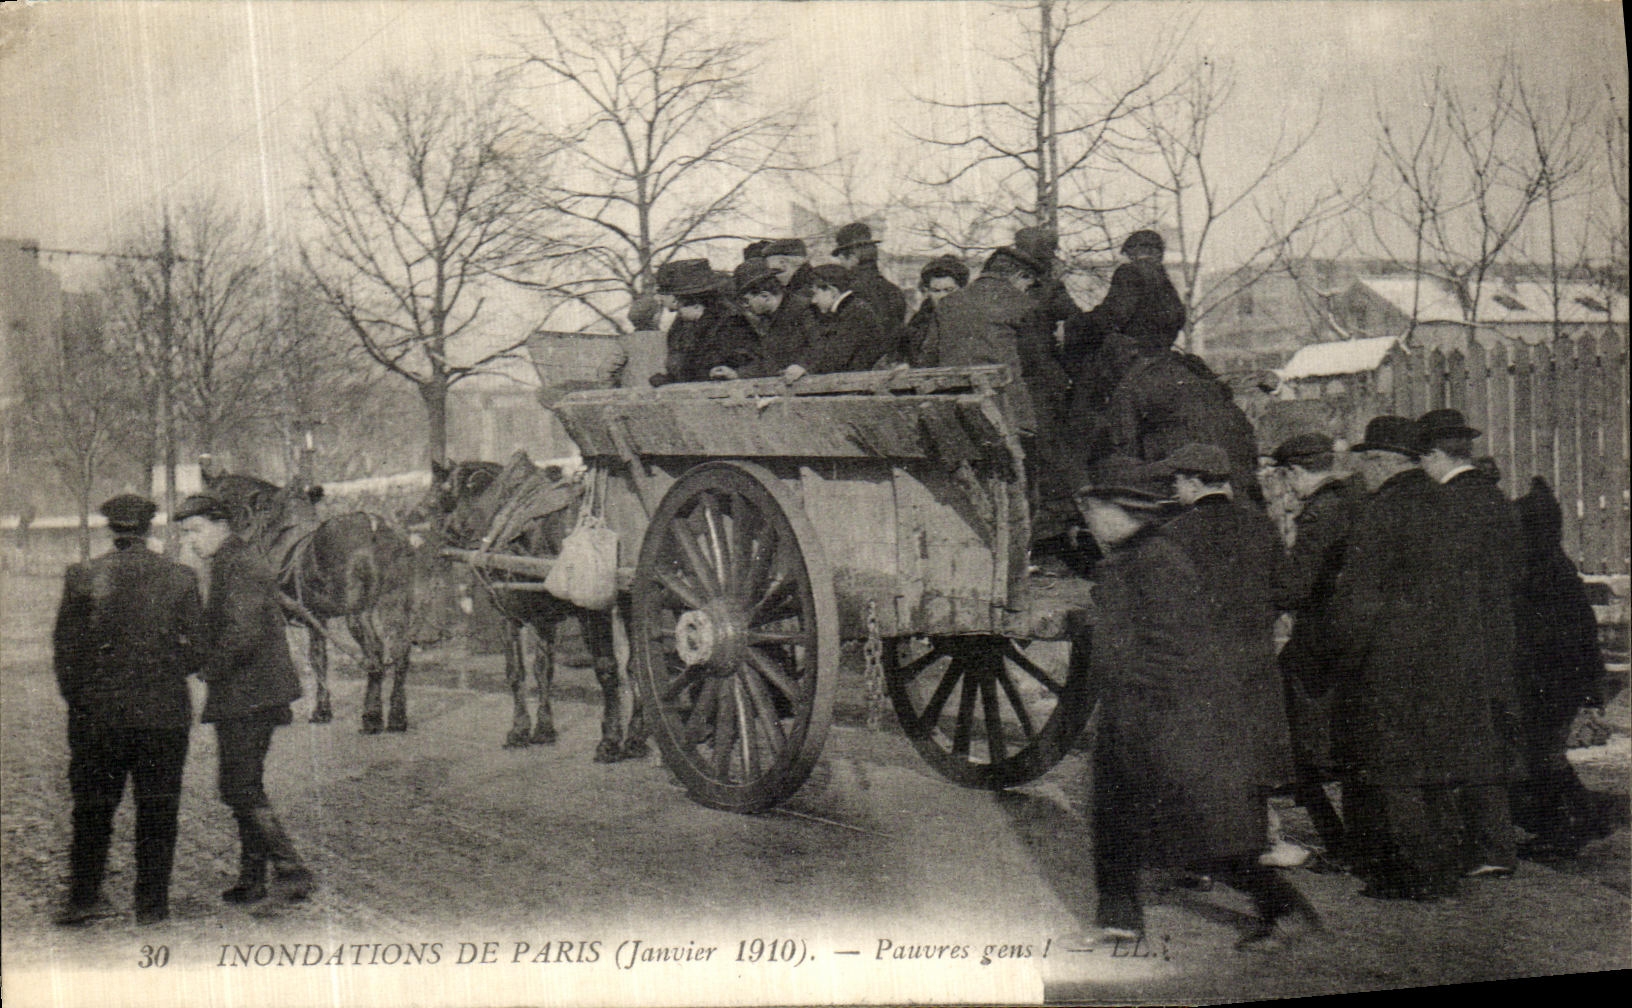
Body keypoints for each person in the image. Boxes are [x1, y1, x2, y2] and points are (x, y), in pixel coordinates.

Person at [1070, 454, 1318, 952]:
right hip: (1151, 710)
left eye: (1095, 510)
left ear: (1127, 510)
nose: (1089, 520)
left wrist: (1136, 685)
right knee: (1122, 818)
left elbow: (1173, 645)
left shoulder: (1153, 563)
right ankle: (1119, 919)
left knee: (1201, 830)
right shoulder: (1141, 558)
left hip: (1161, 714)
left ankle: (1285, 910)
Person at [1329, 416, 1506, 901]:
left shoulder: (1381, 510)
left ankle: (1416, 873)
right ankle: (1446, 862)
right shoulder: (1449, 503)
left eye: (1365, 462)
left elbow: (1358, 599)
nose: (1361, 472)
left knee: (1395, 767)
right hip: (1451, 655)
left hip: (1392, 658)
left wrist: (1343, 656)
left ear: (1383, 462)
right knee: (1436, 764)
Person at [53, 494, 202, 926]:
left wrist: (82, 703)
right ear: (150, 528)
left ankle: (83, 899)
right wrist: (166, 670)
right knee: (158, 809)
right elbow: (199, 650)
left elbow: (65, 655)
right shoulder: (180, 578)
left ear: (111, 528)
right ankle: (152, 907)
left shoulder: (82, 577)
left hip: (98, 717)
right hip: (163, 715)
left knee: (93, 809)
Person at [175, 493, 313, 906]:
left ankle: (290, 869)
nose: (191, 541)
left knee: (239, 786)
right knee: (241, 785)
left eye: (196, 530)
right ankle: (253, 878)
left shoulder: (241, 564)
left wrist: (209, 667)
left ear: (222, 524)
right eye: (185, 533)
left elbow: (243, 632)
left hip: (252, 694)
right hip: (248, 692)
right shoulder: (230, 561)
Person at [1416, 408, 1522, 877]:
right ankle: (1492, 847)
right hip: (1496, 636)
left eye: (1422, 459)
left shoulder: (1450, 504)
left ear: (1436, 455)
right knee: (1483, 739)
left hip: (1459, 641)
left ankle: (1485, 849)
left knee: (1460, 742)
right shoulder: (1493, 497)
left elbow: (1442, 583)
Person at [1269, 431, 1363, 867]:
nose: (1288, 490)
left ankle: (1340, 843)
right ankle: (1348, 840)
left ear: (1295, 472)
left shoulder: (1320, 513)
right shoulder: (1354, 499)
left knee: (1297, 737)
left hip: (1321, 639)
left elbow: (1296, 585)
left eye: (1287, 479)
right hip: (1350, 636)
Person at [1510, 475, 1613, 855]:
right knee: (1543, 754)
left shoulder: (1543, 572)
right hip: (1563, 679)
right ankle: (1581, 820)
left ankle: (1572, 826)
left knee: (1542, 756)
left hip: (1551, 680)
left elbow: (1548, 637)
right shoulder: (1554, 565)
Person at [1093, 340, 1263, 505]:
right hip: (1235, 484)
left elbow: (1124, 445)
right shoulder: (1200, 378)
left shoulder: (1132, 386)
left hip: (1191, 488)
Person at [1062, 229, 1186, 434]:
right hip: (1161, 353)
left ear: (1134, 251)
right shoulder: (1163, 279)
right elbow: (1179, 318)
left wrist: (1078, 323)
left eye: (1129, 253)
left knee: (1082, 394)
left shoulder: (1129, 272)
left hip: (1131, 355)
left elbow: (1114, 315)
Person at [649, 259, 760, 384]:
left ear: (694, 302)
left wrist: (735, 373)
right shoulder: (681, 325)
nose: (660, 299)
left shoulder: (731, 322)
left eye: (665, 293)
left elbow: (753, 363)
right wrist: (670, 378)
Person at [799, 263, 891, 375]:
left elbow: (835, 359)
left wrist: (804, 369)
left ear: (832, 291)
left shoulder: (856, 313)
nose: (814, 301)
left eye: (815, 293)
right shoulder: (851, 308)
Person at [832, 222, 908, 358]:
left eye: (842, 259)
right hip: (887, 368)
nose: (841, 264)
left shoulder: (848, 292)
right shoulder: (894, 290)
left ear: (853, 259)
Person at [734, 257, 814, 378]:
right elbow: (766, 363)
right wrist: (736, 374)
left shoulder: (805, 311)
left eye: (747, 300)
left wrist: (802, 365)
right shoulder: (766, 320)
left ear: (765, 296)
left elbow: (822, 347)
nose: (746, 306)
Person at [902, 254, 969, 367]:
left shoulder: (971, 319)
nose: (943, 296)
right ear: (928, 292)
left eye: (949, 290)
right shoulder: (918, 322)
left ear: (962, 290)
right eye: (936, 291)